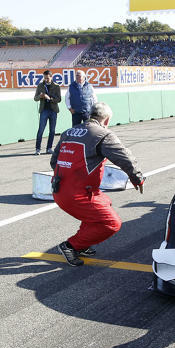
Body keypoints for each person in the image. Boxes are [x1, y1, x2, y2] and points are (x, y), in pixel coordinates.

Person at [51, 103, 145, 266]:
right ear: (106, 120)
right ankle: (71, 246)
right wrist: (137, 178)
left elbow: (54, 161)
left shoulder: (68, 132)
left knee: (104, 203)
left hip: (61, 188)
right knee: (111, 223)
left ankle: (82, 244)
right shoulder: (103, 134)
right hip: (77, 194)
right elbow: (124, 157)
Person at [33, 70, 61, 155]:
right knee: (41, 130)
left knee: (52, 131)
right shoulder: (40, 85)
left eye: (47, 78)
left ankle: (49, 148)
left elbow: (59, 99)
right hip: (44, 110)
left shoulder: (56, 86)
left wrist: (50, 98)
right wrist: (40, 96)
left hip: (53, 110)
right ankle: (38, 149)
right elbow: (35, 98)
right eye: (45, 78)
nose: (46, 80)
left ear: (51, 77)